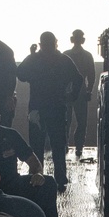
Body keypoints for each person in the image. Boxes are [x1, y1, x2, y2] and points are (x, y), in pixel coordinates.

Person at [16, 31, 83, 192]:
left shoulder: (36, 59)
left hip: (37, 110)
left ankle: (37, 177)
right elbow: (78, 78)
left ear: (41, 45)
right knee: (58, 146)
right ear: (55, 43)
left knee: (37, 146)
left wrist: (31, 55)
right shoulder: (63, 60)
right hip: (56, 108)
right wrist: (71, 96)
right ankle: (60, 179)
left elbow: (20, 74)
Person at [63, 29, 97, 159]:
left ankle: (66, 145)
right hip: (80, 92)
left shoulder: (65, 55)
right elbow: (91, 75)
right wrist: (89, 90)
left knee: (66, 121)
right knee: (81, 121)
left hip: (67, 92)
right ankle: (78, 146)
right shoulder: (87, 55)